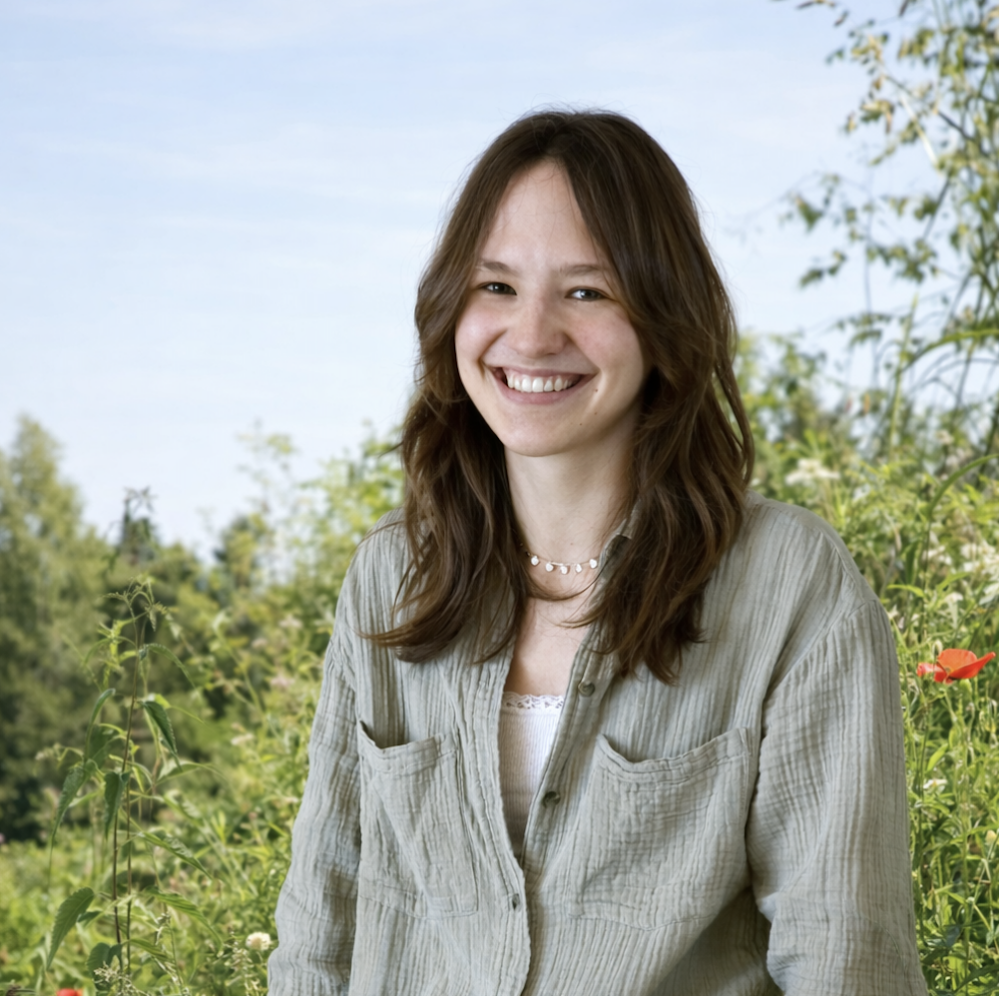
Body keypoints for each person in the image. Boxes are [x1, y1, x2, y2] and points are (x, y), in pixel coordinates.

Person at [267, 110, 928, 995]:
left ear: (664, 316)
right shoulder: (392, 578)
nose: (532, 335)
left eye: (586, 292)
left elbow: (845, 954)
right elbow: (321, 928)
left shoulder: (789, 585)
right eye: (496, 286)